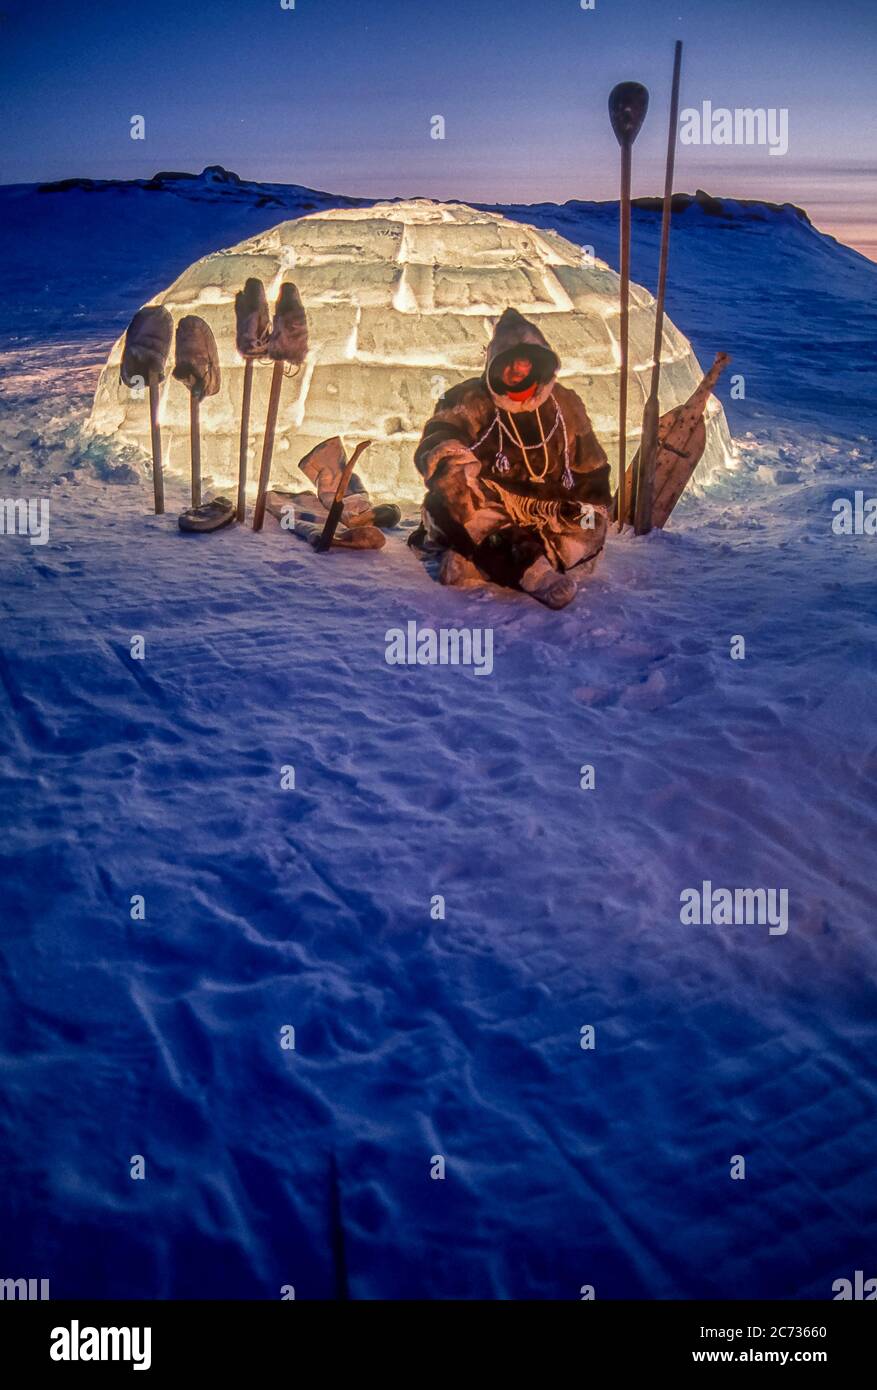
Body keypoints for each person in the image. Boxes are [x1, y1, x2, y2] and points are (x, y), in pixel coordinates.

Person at [410, 308, 611, 608]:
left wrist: (588, 508)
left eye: (528, 358)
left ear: (541, 364)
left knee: (593, 521)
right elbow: (440, 437)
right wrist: (453, 452)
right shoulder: (467, 399)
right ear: (495, 362)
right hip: (492, 506)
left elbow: (591, 468)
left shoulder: (565, 404)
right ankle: (533, 571)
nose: (519, 366)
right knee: (457, 498)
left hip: (551, 512)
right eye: (511, 358)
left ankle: (484, 563)